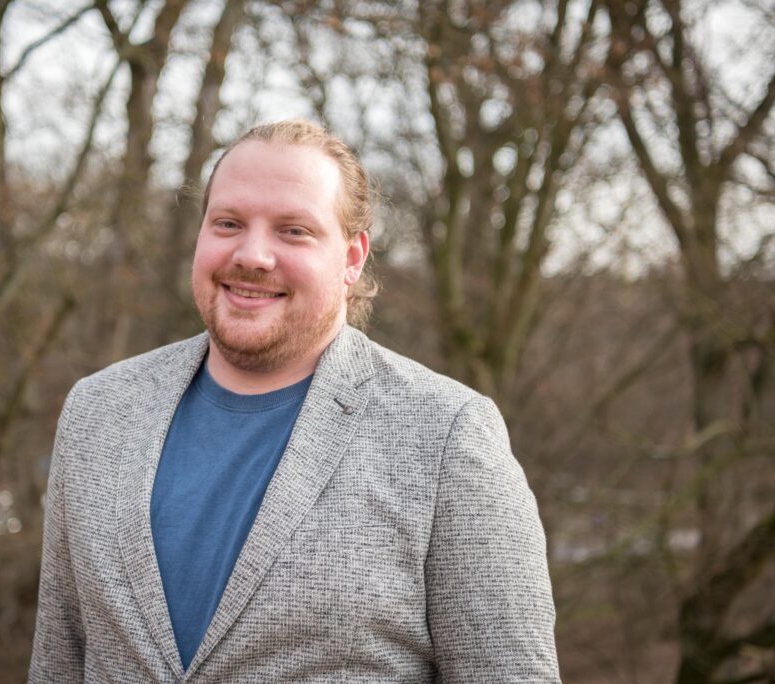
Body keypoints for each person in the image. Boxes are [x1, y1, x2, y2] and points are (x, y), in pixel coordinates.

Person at [29, 120, 560, 682]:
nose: (253, 255)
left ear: (352, 257)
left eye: (293, 231)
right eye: (229, 223)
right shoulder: (97, 411)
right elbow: (59, 660)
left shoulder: (448, 434)